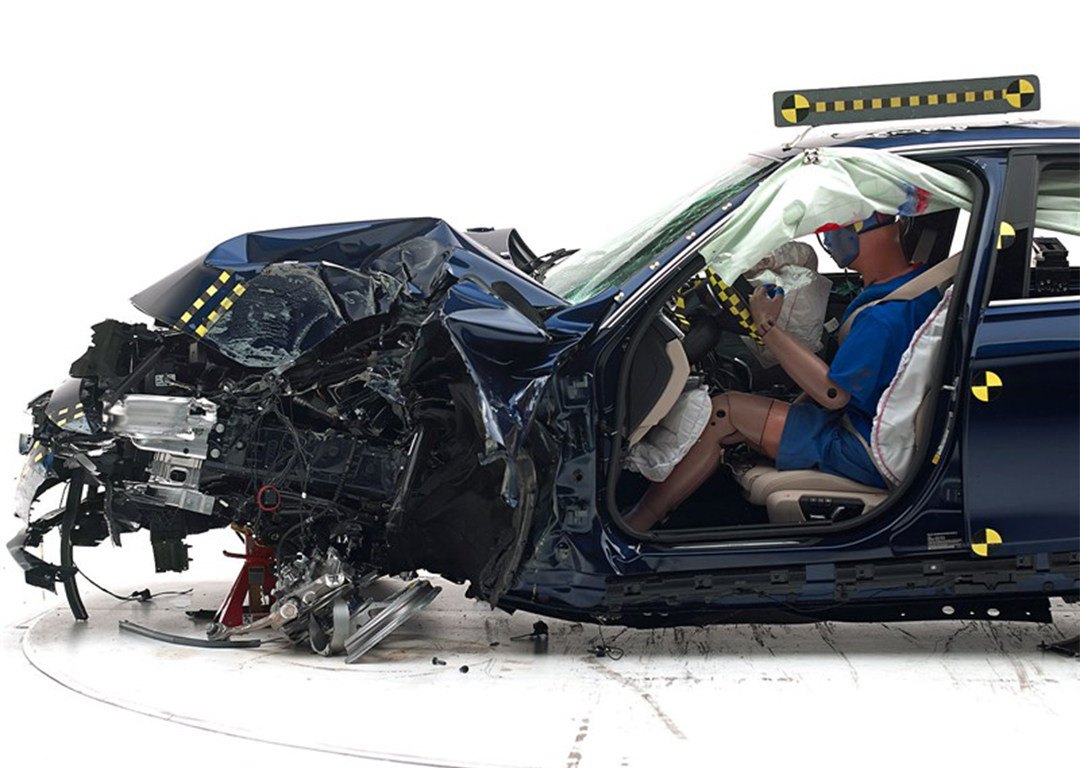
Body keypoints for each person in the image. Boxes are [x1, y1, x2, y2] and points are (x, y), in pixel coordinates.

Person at [624, 212, 941, 532]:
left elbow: (833, 394)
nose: (830, 236)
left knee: (723, 411)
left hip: (858, 445)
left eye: (837, 225)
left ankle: (638, 522)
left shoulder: (885, 316)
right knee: (742, 414)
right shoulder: (912, 287)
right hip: (869, 427)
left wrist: (767, 326)